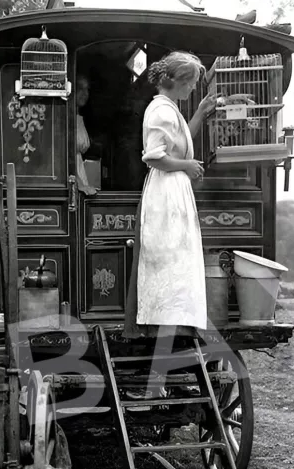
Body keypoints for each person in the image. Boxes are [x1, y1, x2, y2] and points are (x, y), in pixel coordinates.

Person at [124, 51, 216, 339]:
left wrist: (199, 113)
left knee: (178, 256)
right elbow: (153, 157)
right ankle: (161, 323)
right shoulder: (161, 112)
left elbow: (178, 144)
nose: (192, 88)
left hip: (174, 189)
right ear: (177, 82)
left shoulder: (170, 108)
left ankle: (176, 322)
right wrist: (186, 166)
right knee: (167, 254)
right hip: (164, 192)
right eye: (191, 84)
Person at [76, 74, 99, 196]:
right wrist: (79, 184)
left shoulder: (79, 117)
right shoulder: (64, 119)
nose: (85, 93)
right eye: (80, 88)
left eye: (87, 89)